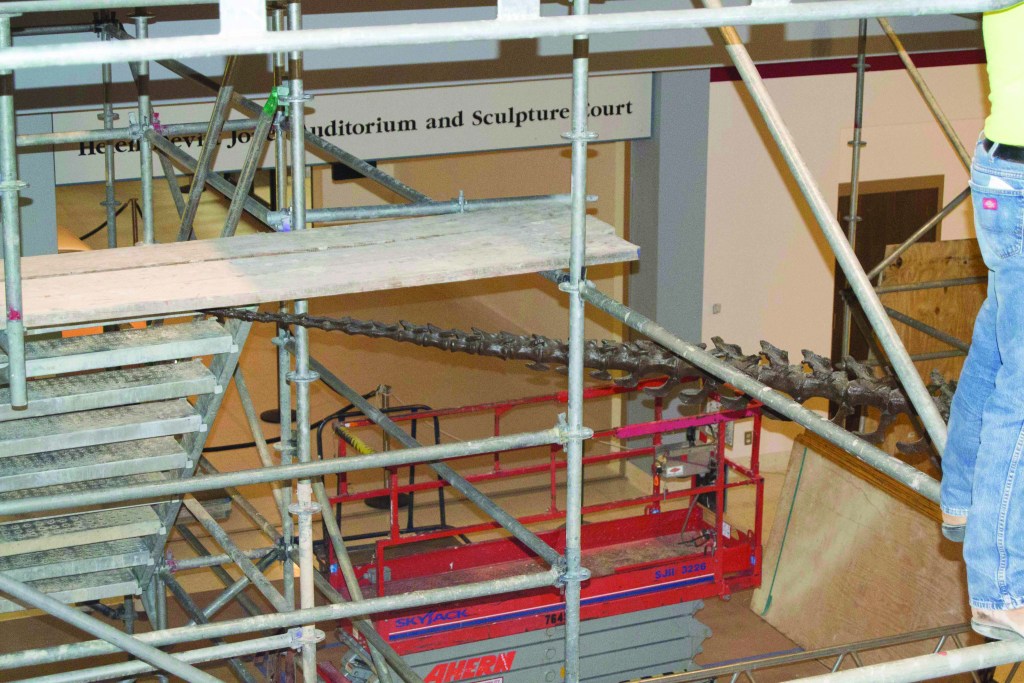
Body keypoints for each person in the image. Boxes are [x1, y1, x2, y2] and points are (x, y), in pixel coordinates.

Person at [940, 1, 1024, 641]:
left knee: (996, 351)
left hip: (1007, 167)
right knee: (1020, 397)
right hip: (1018, 175)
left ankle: (963, 501)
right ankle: (1001, 588)